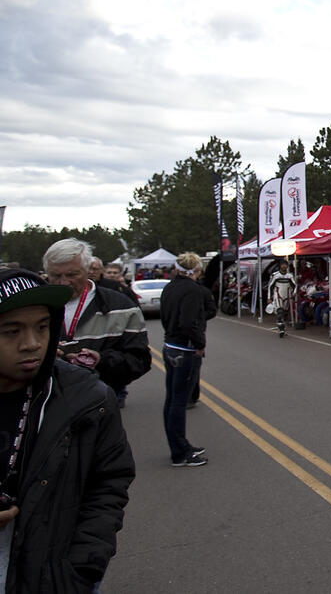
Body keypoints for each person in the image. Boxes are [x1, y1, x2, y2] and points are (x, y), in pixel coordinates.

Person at [0, 267, 135, 590]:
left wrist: (81, 568)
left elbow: (109, 484)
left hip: (55, 576)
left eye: (43, 327)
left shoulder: (88, 399)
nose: (31, 344)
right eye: (11, 331)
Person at [43, 239, 150, 408]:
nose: (63, 282)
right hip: (46, 406)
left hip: (99, 407)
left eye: (72, 275)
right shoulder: (33, 307)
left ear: (88, 271)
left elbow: (140, 361)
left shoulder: (121, 306)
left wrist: (100, 360)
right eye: (56, 276)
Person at [159, 252, 215, 467]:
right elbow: (188, 322)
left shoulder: (170, 286)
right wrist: (200, 343)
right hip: (184, 348)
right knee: (178, 401)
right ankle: (180, 451)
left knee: (172, 399)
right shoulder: (192, 290)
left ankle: (180, 445)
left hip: (170, 345)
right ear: (196, 270)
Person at [267, 261, 297, 337]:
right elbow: (270, 286)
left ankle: (283, 327)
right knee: (280, 311)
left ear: (287, 266)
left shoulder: (290, 276)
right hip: (278, 295)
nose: (284, 266)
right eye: (282, 265)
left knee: (285, 313)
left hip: (287, 296)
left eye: (285, 265)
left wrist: (294, 293)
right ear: (280, 266)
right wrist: (269, 297)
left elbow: (295, 285)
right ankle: (281, 330)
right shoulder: (275, 275)